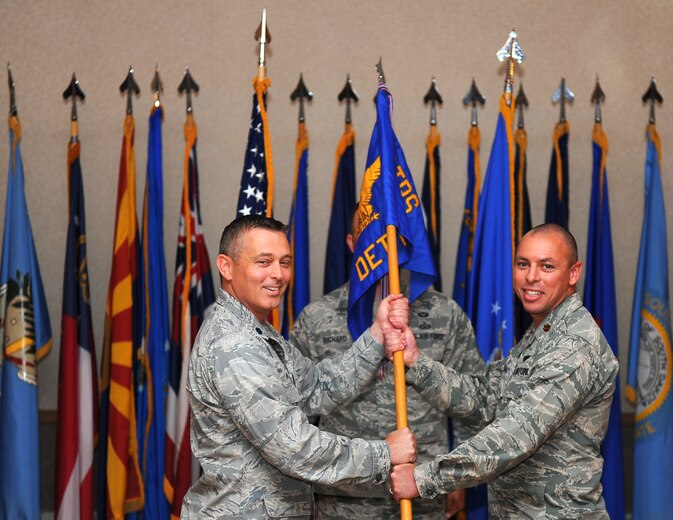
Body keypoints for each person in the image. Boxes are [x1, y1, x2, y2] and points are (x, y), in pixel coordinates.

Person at [182, 215, 417, 519]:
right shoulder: (233, 345)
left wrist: (376, 335)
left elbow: (318, 388)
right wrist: (384, 455)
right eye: (263, 262)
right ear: (226, 266)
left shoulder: (257, 330)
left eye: (285, 262)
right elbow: (295, 449)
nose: (277, 274)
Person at [387, 223, 619, 518]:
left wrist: (423, 479)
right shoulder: (541, 334)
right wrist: (416, 363)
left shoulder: (574, 345)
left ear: (574, 273)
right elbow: (485, 397)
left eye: (547, 266)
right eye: (523, 264)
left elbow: (515, 436)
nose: (531, 276)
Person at [290, 209, 486, 520]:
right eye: (371, 237)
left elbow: (471, 402)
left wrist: (457, 476)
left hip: (424, 490)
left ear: (404, 242)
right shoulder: (317, 318)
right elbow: (297, 412)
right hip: (343, 497)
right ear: (353, 243)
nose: (382, 245)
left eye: (389, 238)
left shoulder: (445, 313)